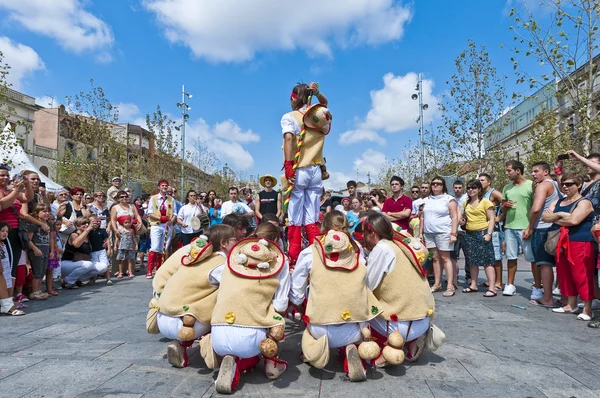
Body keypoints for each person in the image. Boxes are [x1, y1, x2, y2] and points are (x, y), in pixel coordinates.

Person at [203, 228, 290, 393]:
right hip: (252, 338)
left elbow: (212, 277)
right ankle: (271, 363)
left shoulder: (233, 259)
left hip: (219, 332)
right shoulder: (281, 262)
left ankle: (226, 356)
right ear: (277, 240)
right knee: (274, 320)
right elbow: (281, 306)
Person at [290, 226, 381, 382]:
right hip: (355, 327)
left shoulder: (309, 253)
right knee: (356, 317)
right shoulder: (357, 251)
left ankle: (312, 352)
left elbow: (296, 294)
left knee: (308, 324)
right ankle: (351, 348)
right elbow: (365, 285)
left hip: (321, 327)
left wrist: (300, 306)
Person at [148, 224, 236, 368]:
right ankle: (211, 341)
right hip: (186, 322)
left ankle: (180, 344)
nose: (237, 242)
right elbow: (232, 292)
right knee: (223, 299)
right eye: (234, 239)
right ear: (224, 243)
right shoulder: (221, 264)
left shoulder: (193, 258)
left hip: (163, 315)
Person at [362, 212, 443, 366]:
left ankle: (388, 348)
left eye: (365, 233)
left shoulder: (382, 249)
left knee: (358, 309)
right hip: (422, 318)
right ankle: (412, 340)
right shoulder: (401, 247)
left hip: (398, 323)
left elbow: (367, 285)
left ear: (372, 232)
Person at [281, 82, 330, 265]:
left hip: (298, 169)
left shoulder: (290, 117)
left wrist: (288, 165)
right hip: (316, 170)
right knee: (312, 214)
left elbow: (288, 138)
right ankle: (315, 254)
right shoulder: (318, 115)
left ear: (294, 98)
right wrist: (317, 94)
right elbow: (325, 103)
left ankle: (294, 256)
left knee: (294, 216)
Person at [543, 173, 595, 321]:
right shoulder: (560, 201)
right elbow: (544, 217)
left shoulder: (584, 202)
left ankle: (587, 308)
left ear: (578, 185)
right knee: (564, 273)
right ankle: (570, 304)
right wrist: (560, 215)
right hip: (563, 242)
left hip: (580, 242)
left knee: (582, 275)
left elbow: (573, 220)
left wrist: (555, 217)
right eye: (563, 184)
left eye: (570, 184)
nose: (565, 187)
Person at [526, 162, 561, 306]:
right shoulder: (557, 184)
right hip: (555, 227)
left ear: (546, 172)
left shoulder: (543, 185)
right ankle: (562, 295)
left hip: (542, 227)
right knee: (557, 263)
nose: (533, 174)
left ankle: (547, 298)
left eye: (536, 171)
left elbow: (535, 209)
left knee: (544, 264)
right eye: (532, 172)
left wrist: (530, 227)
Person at [499, 160, 534, 297]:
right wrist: (505, 205)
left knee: (531, 258)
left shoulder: (531, 185)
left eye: (509, 170)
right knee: (511, 256)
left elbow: (536, 206)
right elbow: (502, 207)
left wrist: (530, 226)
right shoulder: (507, 187)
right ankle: (510, 284)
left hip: (525, 226)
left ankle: (537, 286)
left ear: (518, 170)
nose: (507, 173)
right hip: (509, 226)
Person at [420, 177, 458, 297]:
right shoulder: (426, 200)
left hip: (443, 232)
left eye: (438, 184)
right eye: (433, 183)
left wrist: (453, 233)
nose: (436, 185)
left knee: (445, 258)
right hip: (429, 233)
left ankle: (450, 286)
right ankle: (437, 283)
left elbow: (454, 217)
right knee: (435, 259)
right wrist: (420, 233)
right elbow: (422, 217)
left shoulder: (449, 199)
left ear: (443, 186)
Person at [460, 180, 497, 297]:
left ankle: (492, 288)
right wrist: (462, 221)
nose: (471, 190)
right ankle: (473, 285)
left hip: (482, 233)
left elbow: (491, 218)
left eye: (474, 188)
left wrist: (489, 234)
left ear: (479, 189)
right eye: (469, 188)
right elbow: (465, 219)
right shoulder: (466, 203)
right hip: (469, 234)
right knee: (472, 261)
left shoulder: (485, 202)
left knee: (488, 261)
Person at [0, 164, 33, 284]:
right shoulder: (7, 191)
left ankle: (10, 297)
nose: (5, 177)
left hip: (16, 231)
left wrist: (27, 183)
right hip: (4, 233)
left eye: (7, 175)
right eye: (2, 175)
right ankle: (6, 297)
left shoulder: (9, 190)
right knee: (6, 265)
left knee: (13, 264)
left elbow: (27, 197)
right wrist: (15, 190)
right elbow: (3, 204)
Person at [61, 217, 104, 289]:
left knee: (103, 267)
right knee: (88, 264)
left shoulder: (88, 236)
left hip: (80, 263)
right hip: (67, 263)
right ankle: (68, 281)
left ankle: (77, 279)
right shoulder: (74, 235)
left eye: (87, 223)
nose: (86, 225)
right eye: (83, 224)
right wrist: (87, 230)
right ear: (77, 226)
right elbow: (76, 244)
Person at [145, 180, 176, 279]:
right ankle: (149, 270)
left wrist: (171, 221)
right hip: (157, 225)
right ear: (159, 187)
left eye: (166, 186)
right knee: (155, 247)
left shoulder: (171, 199)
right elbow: (149, 212)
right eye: (163, 185)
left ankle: (159, 269)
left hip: (167, 226)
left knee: (164, 247)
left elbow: (174, 213)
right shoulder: (153, 199)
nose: (164, 187)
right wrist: (160, 218)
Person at [479, 173, 504, 290]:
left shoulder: (493, 193)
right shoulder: (482, 194)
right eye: (479, 180)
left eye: (482, 180)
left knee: (496, 256)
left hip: (494, 229)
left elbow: (507, 202)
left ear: (489, 182)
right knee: (488, 255)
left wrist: (500, 217)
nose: (480, 182)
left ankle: (499, 282)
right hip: (484, 228)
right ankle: (491, 281)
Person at [26, 204, 52, 300]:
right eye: (44, 211)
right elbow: (28, 240)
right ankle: (34, 291)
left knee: (42, 271)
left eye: (48, 211)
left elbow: (50, 238)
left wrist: (51, 250)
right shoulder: (34, 225)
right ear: (37, 213)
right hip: (37, 251)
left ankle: (39, 289)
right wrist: (35, 249)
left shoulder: (48, 224)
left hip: (45, 250)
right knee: (37, 272)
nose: (47, 213)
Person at [0, 222, 24, 315]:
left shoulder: (3, 244)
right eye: (2, 231)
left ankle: (6, 304)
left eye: (7, 231)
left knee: (6, 278)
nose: (5, 233)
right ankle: (7, 306)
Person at [88, 215, 112, 286]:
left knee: (106, 264)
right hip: (92, 251)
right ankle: (93, 279)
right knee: (95, 265)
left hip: (101, 250)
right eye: (93, 222)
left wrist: (109, 249)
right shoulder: (88, 231)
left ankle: (108, 279)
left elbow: (107, 240)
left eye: (98, 222)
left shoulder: (102, 231)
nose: (96, 224)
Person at [47, 218, 64, 293]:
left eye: (60, 224)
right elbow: (55, 244)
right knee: (52, 271)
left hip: (55, 253)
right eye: (57, 224)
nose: (59, 226)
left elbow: (56, 244)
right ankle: (51, 287)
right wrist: (57, 252)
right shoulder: (52, 232)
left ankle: (51, 287)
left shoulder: (56, 233)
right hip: (51, 252)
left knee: (54, 271)